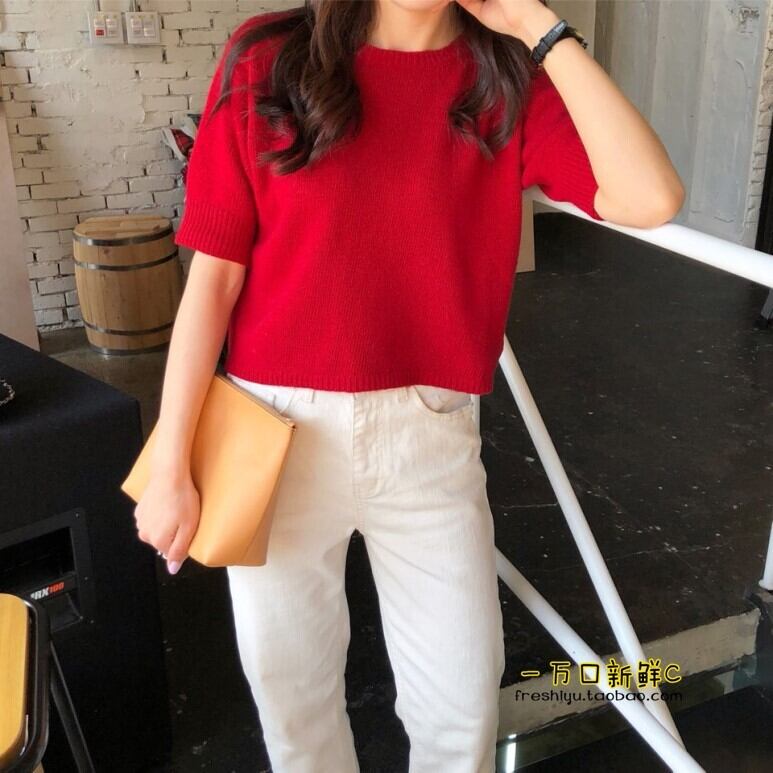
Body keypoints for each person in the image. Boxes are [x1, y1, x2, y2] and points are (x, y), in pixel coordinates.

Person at [132, 1, 684, 771]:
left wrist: (538, 27)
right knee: (292, 703)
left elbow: (650, 196)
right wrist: (170, 462)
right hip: (272, 430)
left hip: (430, 433)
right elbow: (213, 276)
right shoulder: (268, 56)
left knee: (462, 708)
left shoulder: (507, 79)